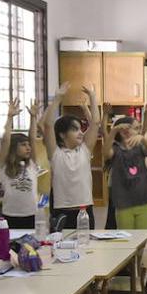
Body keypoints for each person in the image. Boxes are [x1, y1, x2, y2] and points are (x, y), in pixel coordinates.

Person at [42, 83, 99, 228]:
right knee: (60, 248)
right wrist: (57, 98)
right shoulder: (55, 154)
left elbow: (95, 123)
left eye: (81, 129)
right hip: (62, 212)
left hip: (84, 211)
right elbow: (48, 126)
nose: (80, 132)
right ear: (62, 134)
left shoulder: (85, 151)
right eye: (75, 129)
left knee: (88, 247)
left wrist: (92, 97)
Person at [102, 113, 147, 229]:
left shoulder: (139, 145)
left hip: (143, 200)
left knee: (142, 237)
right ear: (124, 131)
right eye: (136, 128)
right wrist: (113, 131)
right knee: (126, 238)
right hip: (123, 203)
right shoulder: (116, 148)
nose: (139, 131)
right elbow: (106, 153)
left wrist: (142, 138)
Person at [0, 98, 39, 228]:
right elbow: (5, 141)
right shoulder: (5, 165)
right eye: (23, 145)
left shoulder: (31, 164)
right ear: (13, 148)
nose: (28, 147)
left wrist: (33, 117)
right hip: (10, 216)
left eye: (28, 145)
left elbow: (33, 138)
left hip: (30, 215)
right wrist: (10, 117)